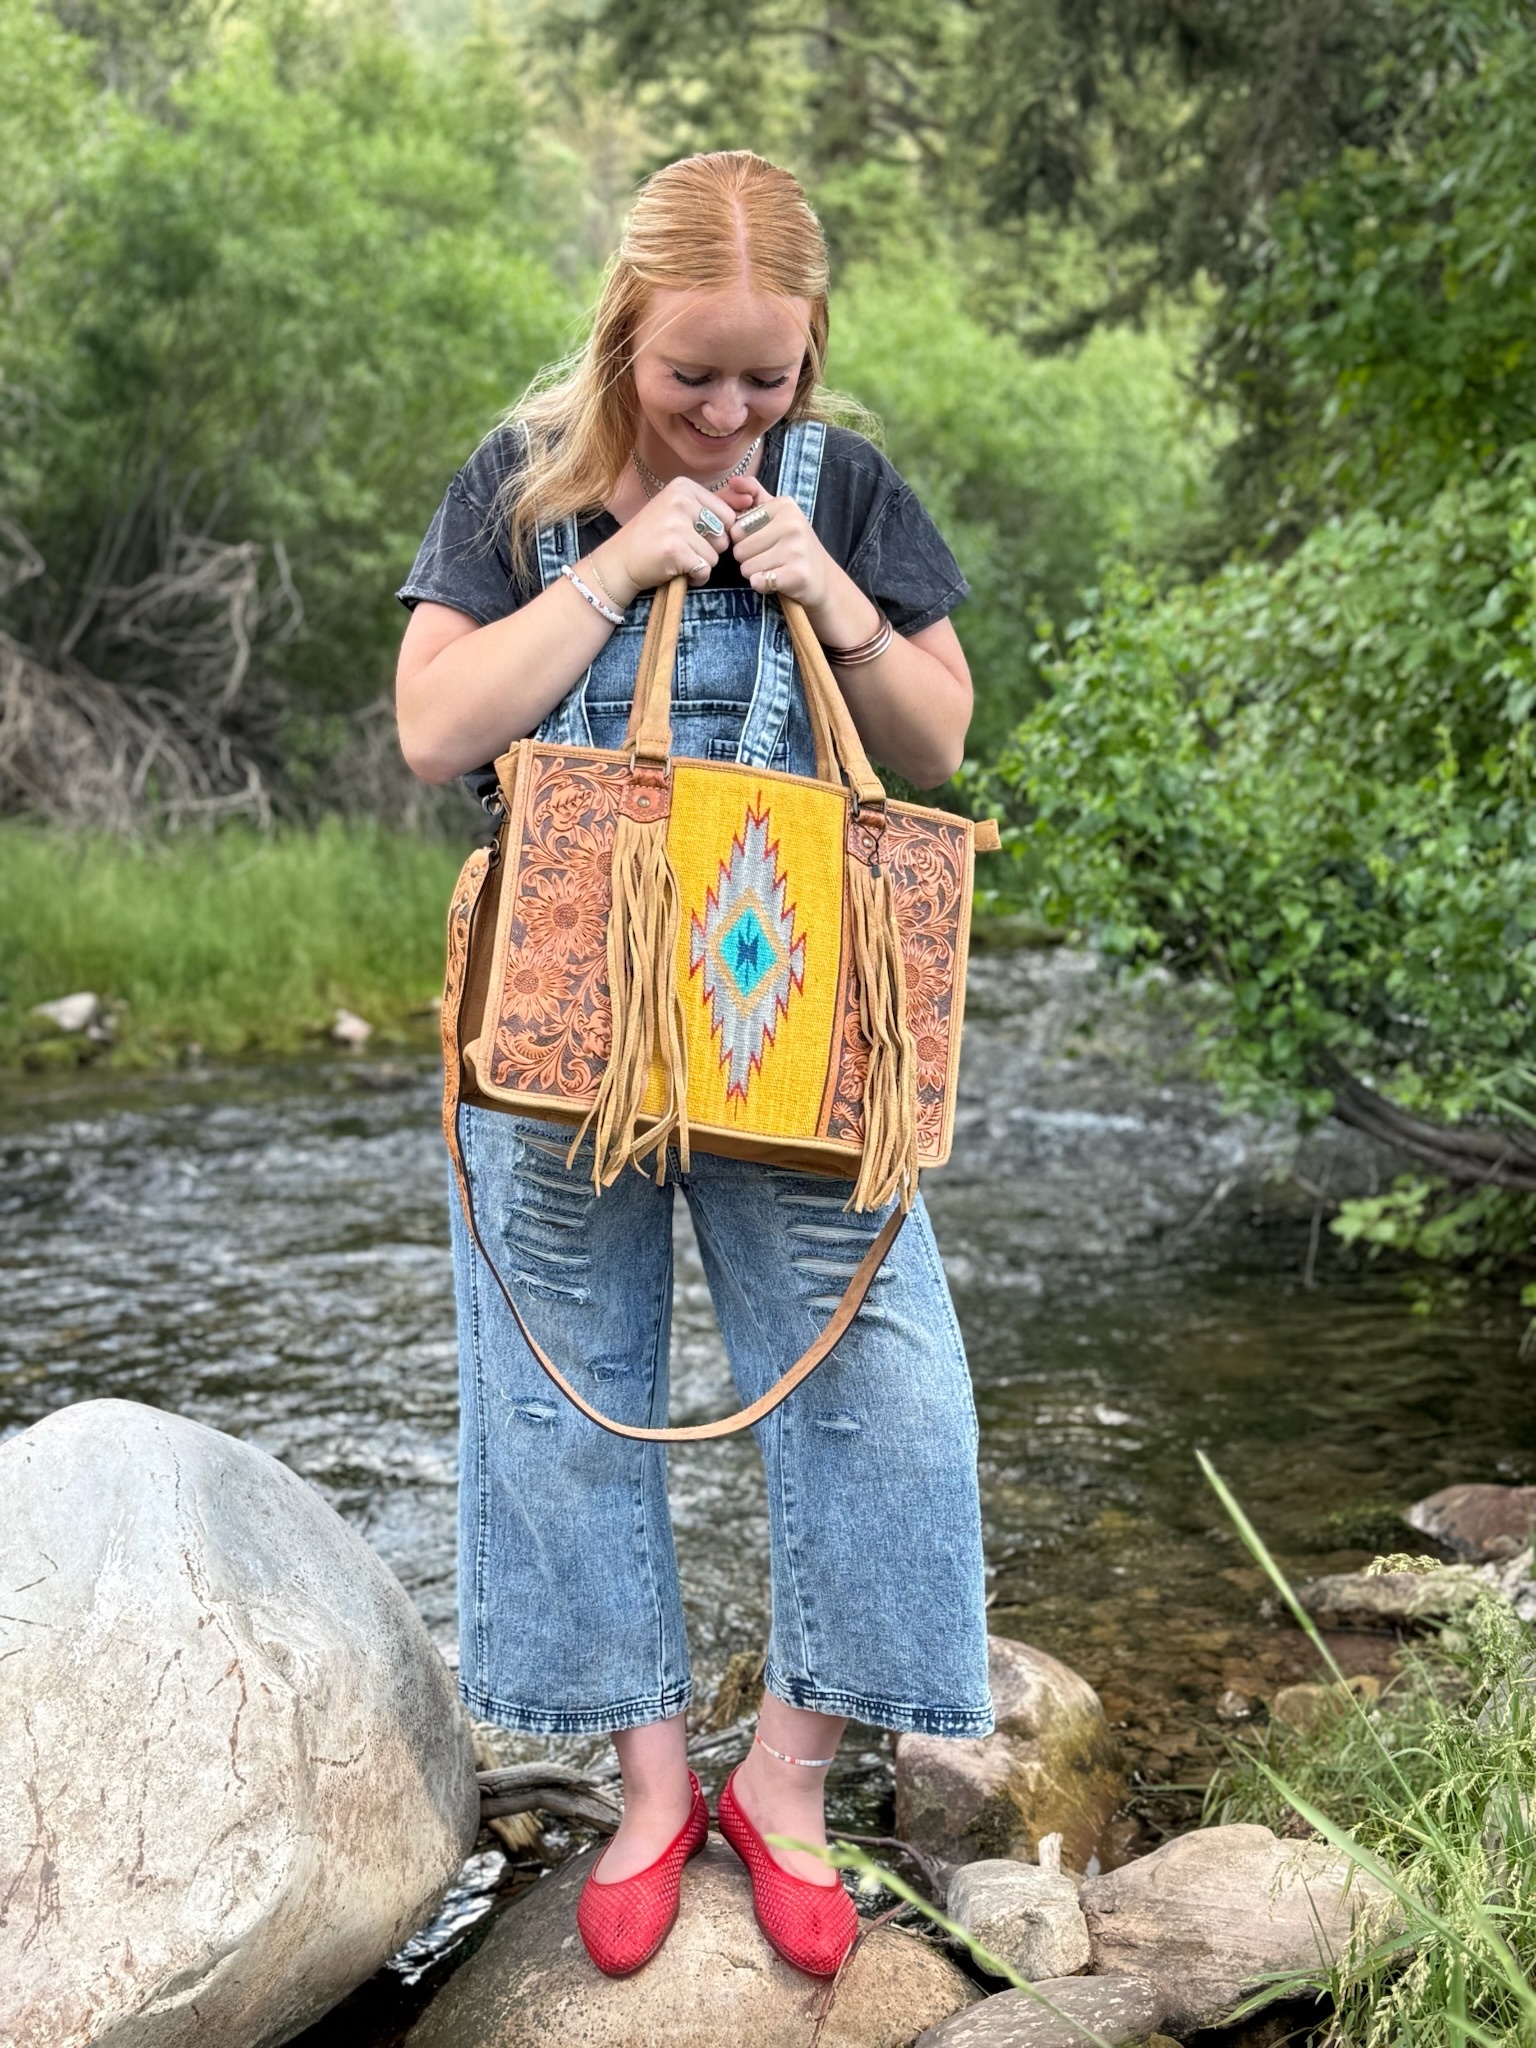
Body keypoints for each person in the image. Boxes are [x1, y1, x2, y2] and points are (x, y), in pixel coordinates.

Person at [395, 149, 992, 1984]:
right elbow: (433, 728)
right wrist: (616, 569)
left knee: (890, 1383)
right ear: (621, 336)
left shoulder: (847, 486)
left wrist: (840, 601)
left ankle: (785, 1782)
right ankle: (653, 1786)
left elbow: (936, 742)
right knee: (563, 1393)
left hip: (796, 1019)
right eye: (690, 377)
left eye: (768, 377)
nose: (732, 413)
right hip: (566, 1025)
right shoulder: (521, 484)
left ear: (812, 353)